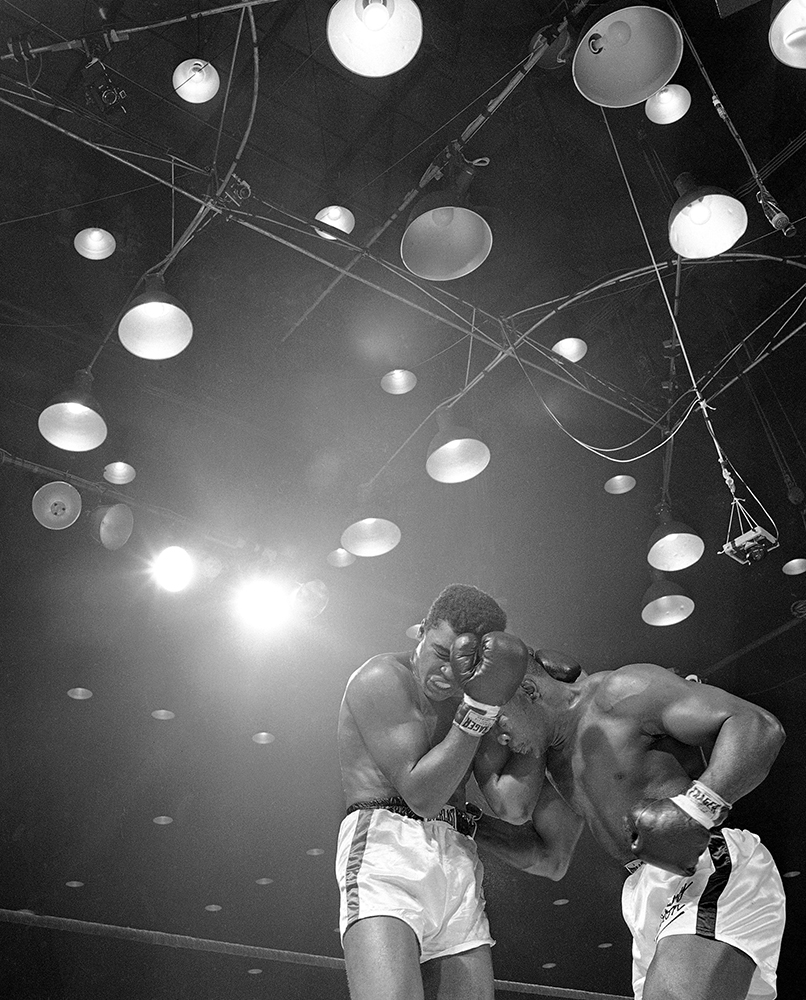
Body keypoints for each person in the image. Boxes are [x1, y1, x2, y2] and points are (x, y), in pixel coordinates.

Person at [473, 660, 787, 1000]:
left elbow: (758, 726)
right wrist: (467, 824)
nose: (499, 737)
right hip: (643, 891)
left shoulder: (620, 692)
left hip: (701, 866)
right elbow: (550, 858)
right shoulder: (553, 761)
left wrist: (695, 809)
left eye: (496, 720)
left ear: (529, 691)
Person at [335, 583, 532, 1000]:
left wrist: (521, 719)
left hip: (457, 855)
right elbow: (421, 795)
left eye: (459, 664)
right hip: (386, 846)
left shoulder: (475, 695)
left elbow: (512, 807)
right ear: (421, 630)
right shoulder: (381, 678)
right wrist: (479, 712)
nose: (446, 673)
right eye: (441, 653)